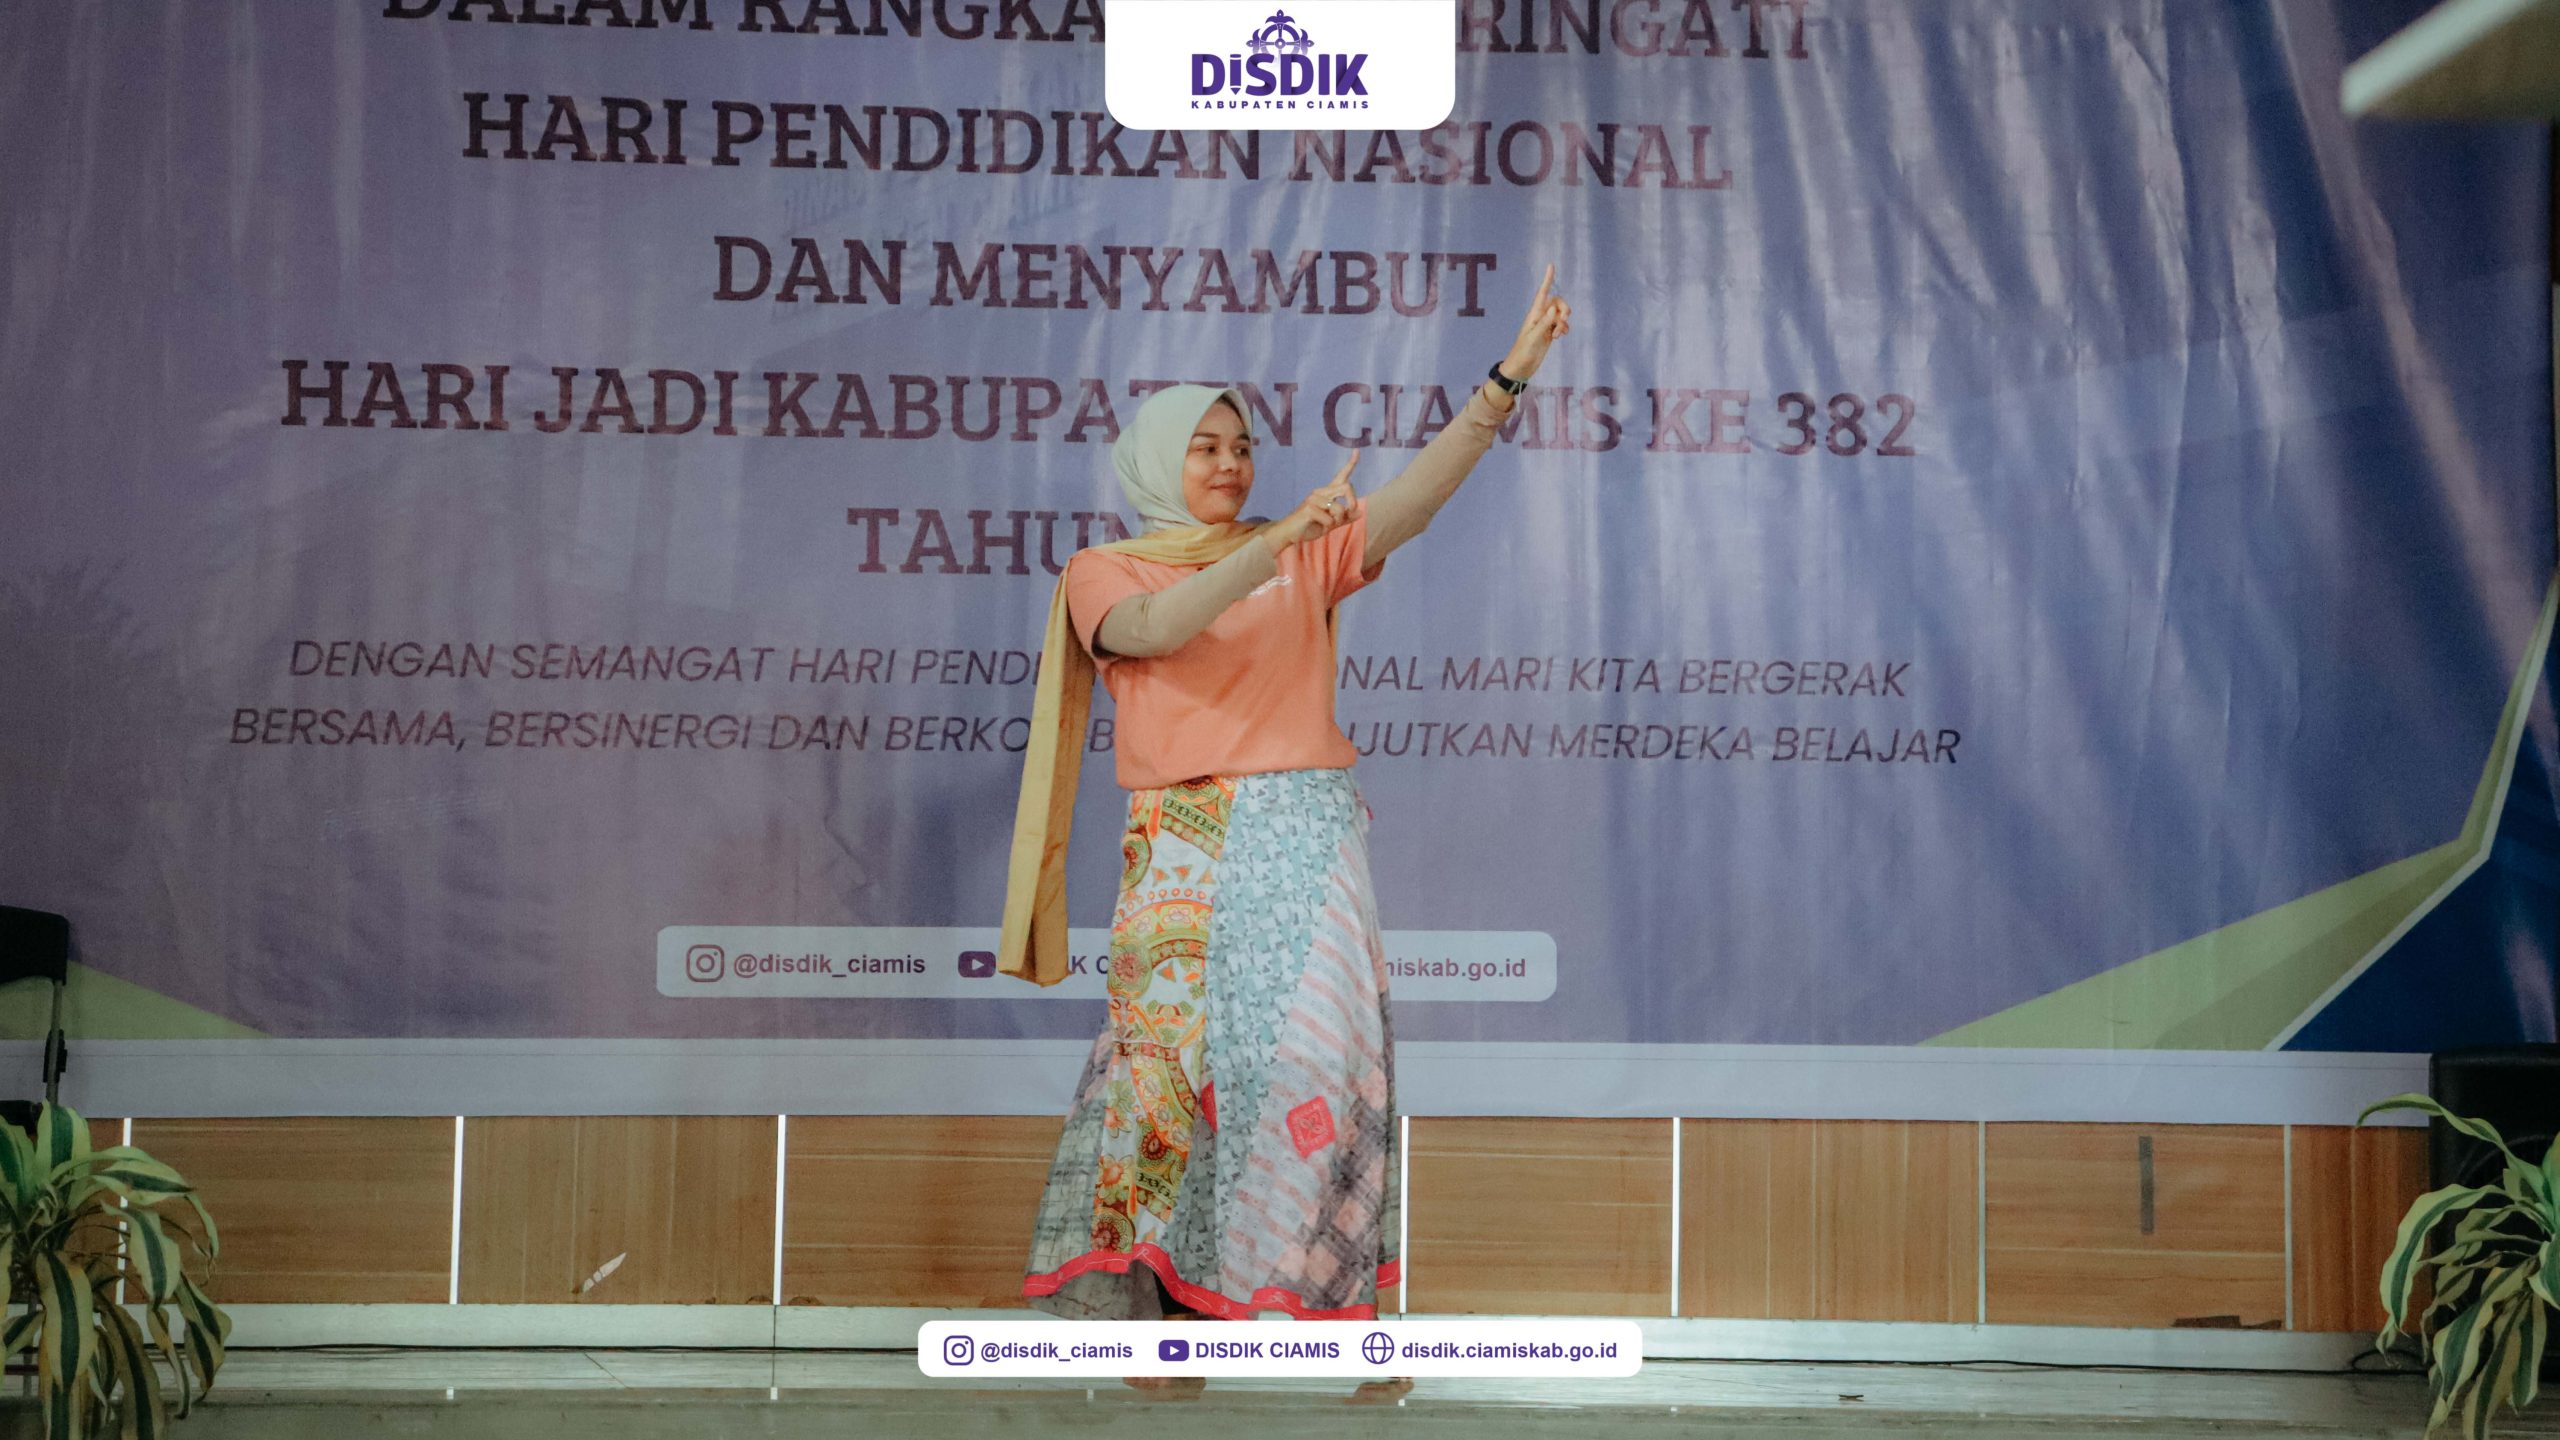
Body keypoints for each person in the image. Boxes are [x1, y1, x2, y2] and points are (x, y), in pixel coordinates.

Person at [998, 267, 1572, 1398]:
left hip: (1305, 834)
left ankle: (1349, 1324)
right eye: (1204, 448)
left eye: (1241, 447)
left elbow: (1415, 499)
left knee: (1324, 1065)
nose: (1229, 464)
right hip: (1183, 842)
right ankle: (1168, 1329)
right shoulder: (1107, 570)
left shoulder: (1304, 544)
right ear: (1156, 463)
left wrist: (1504, 384)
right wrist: (1264, 551)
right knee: (1173, 1076)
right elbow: (1155, 630)